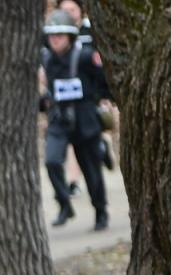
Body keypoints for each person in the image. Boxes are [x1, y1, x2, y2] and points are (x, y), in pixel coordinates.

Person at [41, 10, 110, 230]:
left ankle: (100, 211)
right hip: (59, 121)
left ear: (70, 36)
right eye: (52, 36)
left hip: (85, 120)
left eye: (60, 35)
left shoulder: (85, 56)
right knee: (51, 160)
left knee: (92, 172)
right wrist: (44, 102)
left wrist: (99, 99)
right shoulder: (48, 60)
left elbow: (103, 81)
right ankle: (64, 205)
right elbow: (51, 91)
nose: (55, 40)